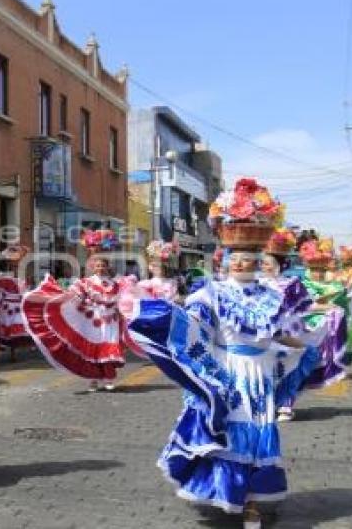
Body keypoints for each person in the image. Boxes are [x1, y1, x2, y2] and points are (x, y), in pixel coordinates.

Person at [127, 178, 320, 528]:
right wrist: (164, 317)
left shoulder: (272, 296)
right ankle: (231, 493)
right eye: (235, 258)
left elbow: (279, 333)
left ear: (259, 260)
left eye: (248, 259)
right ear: (225, 259)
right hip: (228, 370)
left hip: (260, 374)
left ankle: (252, 504)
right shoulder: (210, 293)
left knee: (259, 433)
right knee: (229, 432)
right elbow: (196, 327)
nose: (241, 264)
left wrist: (309, 345)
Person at [22, 228, 140, 393]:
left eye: (103, 265)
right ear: (93, 267)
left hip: (111, 321)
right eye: (97, 265)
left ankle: (109, 378)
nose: (100, 268)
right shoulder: (85, 282)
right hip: (93, 321)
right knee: (93, 351)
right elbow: (73, 297)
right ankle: (93, 380)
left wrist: (123, 312)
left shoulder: (115, 283)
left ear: (107, 267)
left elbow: (121, 299)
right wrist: (62, 301)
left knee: (108, 349)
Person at [260, 229, 346, 422]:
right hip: (264, 335)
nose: (264, 266)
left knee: (297, 363)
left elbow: (306, 306)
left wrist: (328, 308)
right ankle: (264, 404)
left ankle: (286, 404)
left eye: (267, 263)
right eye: (262, 263)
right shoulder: (256, 284)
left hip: (290, 332)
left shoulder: (292, 283)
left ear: (280, 265)